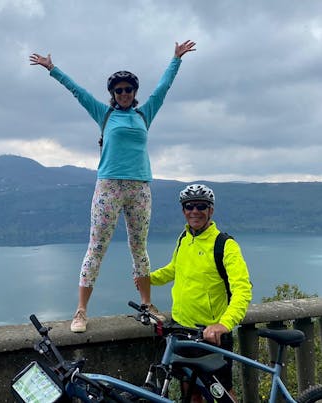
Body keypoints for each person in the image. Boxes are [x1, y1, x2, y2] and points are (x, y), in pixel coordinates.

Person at [30, 40, 196, 333]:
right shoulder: (104, 114)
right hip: (108, 188)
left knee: (139, 248)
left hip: (140, 188)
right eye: (118, 90)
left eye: (128, 90)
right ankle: (81, 311)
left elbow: (163, 88)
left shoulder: (145, 114)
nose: (123, 94)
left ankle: (146, 304)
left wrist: (176, 59)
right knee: (96, 248)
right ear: (112, 94)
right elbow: (77, 92)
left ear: (134, 93)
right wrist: (52, 69)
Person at [151, 184, 252, 402]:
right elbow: (174, 269)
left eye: (201, 206)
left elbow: (243, 290)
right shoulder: (184, 238)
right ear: (183, 210)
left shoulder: (225, 245)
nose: (194, 211)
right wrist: (147, 279)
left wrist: (224, 325)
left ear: (211, 210)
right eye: (189, 206)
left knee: (222, 394)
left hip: (210, 335)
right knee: (191, 391)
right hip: (181, 330)